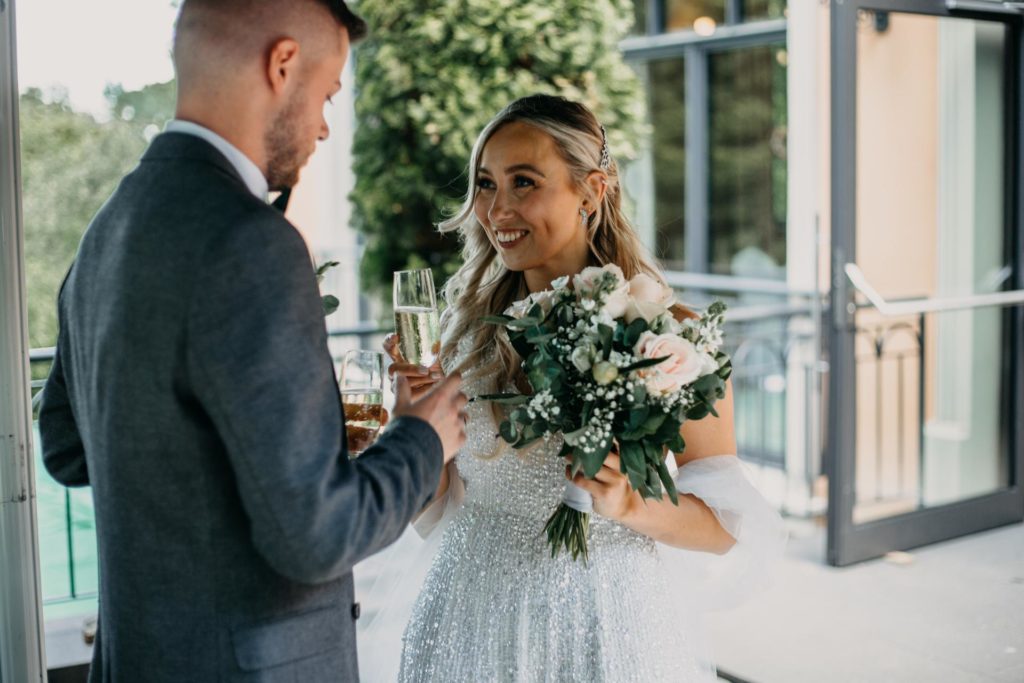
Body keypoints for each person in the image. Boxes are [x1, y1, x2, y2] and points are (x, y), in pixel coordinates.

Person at [37, 1, 467, 680]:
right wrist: (424, 436)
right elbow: (317, 536)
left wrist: (282, 444)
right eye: (327, 94)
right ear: (282, 63)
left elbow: (66, 447)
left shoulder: (108, 228)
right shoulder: (251, 243)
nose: (326, 126)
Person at [383, 95, 785, 682]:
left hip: (608, 622)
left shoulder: (670, 336)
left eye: (524, 182)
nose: (497, 209)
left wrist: (629, 504)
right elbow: (441, 508)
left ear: (591, 192)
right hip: (467, 616)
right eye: (486, 184)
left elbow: (726, 527)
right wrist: (410, 428)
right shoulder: (463, 330)